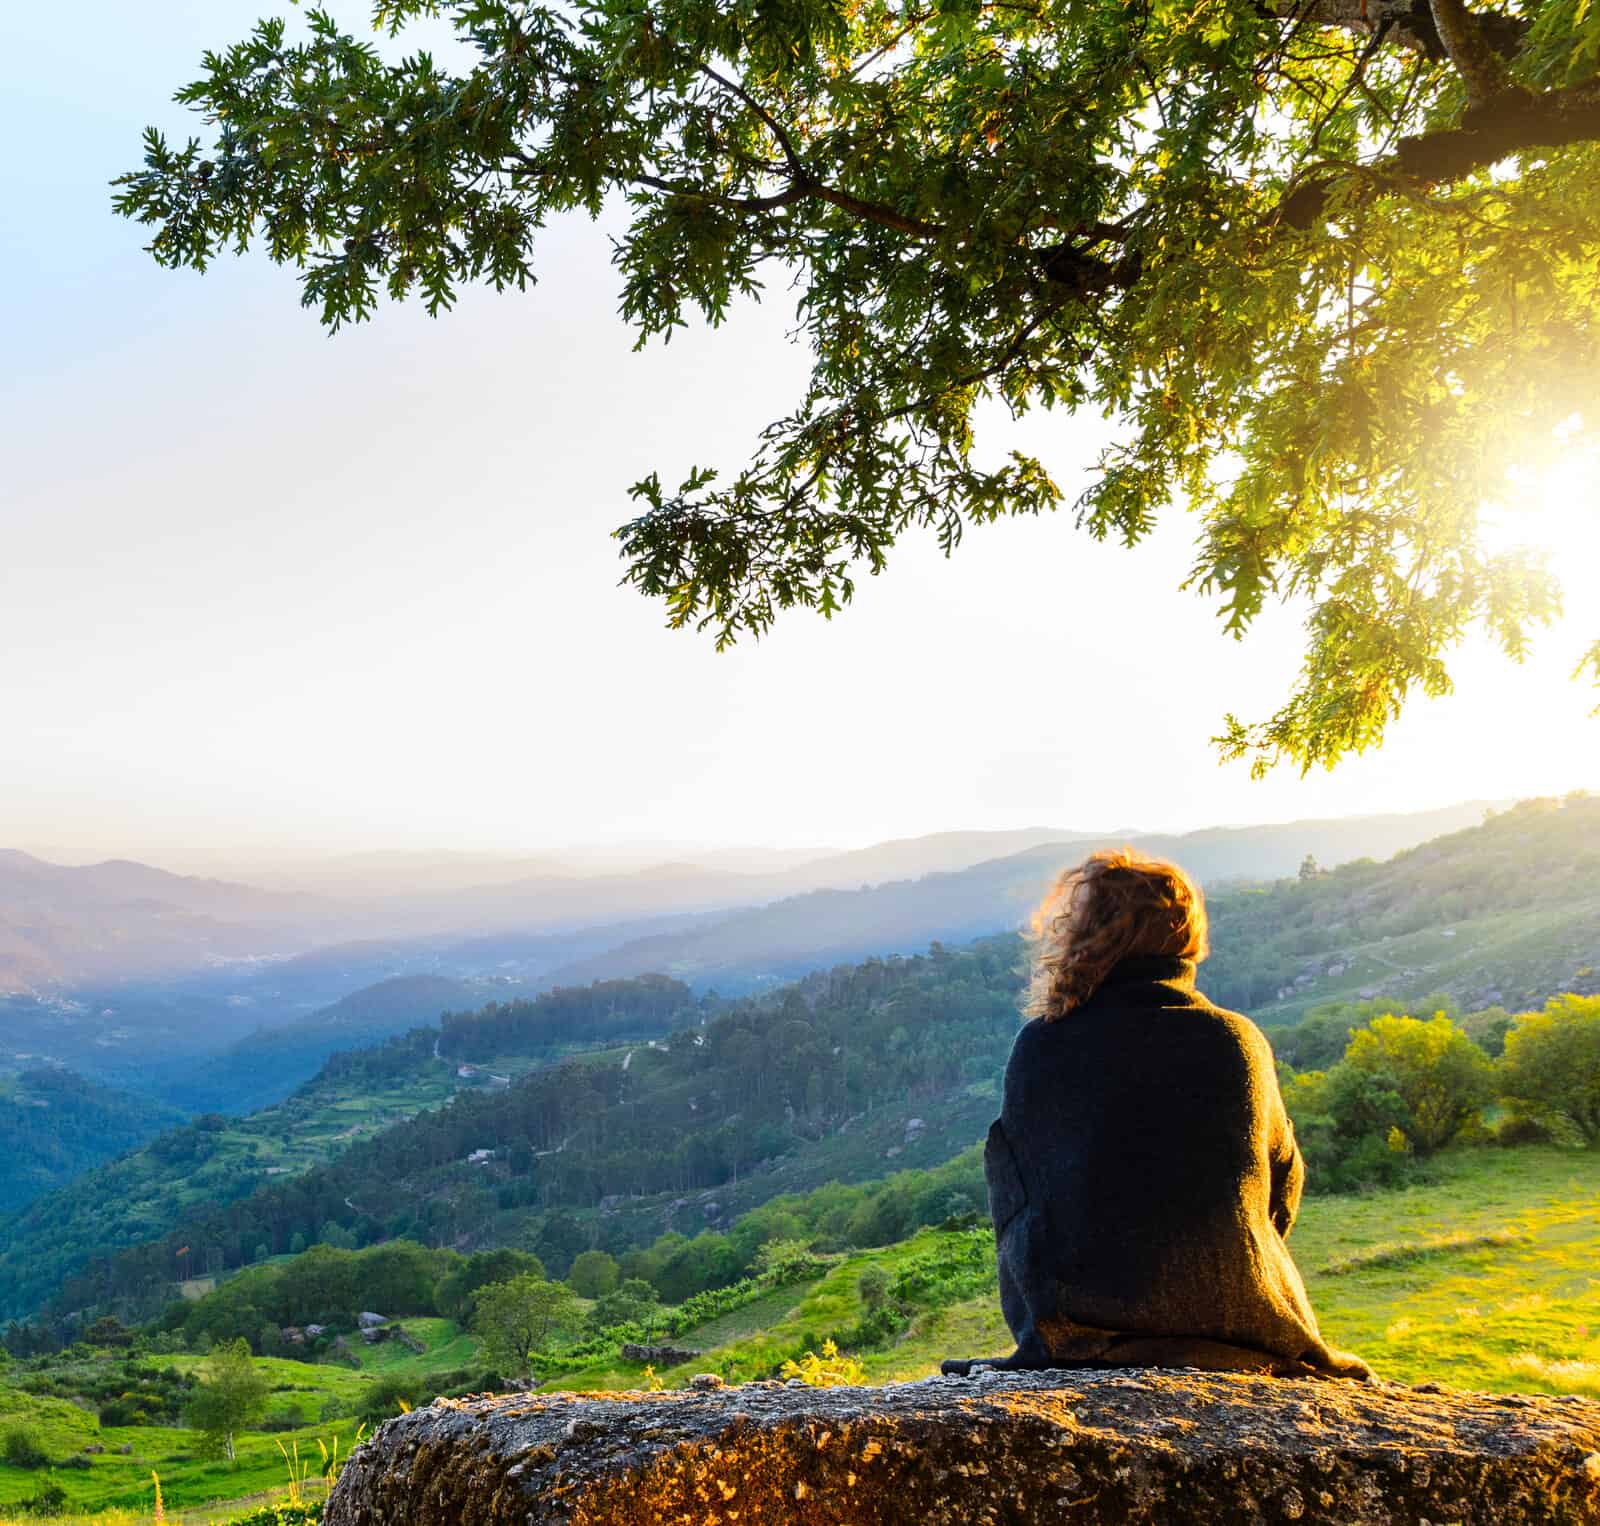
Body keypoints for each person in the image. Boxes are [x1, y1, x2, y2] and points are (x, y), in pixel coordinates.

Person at [942, 848, 1369, 1380]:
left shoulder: (1044, 1046)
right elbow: (1282, 1188)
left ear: (1084, 938)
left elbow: (1018, 1201)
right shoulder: (1238, 1041)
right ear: (1186, 939)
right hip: (1251, 1331)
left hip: (1081, 1337)